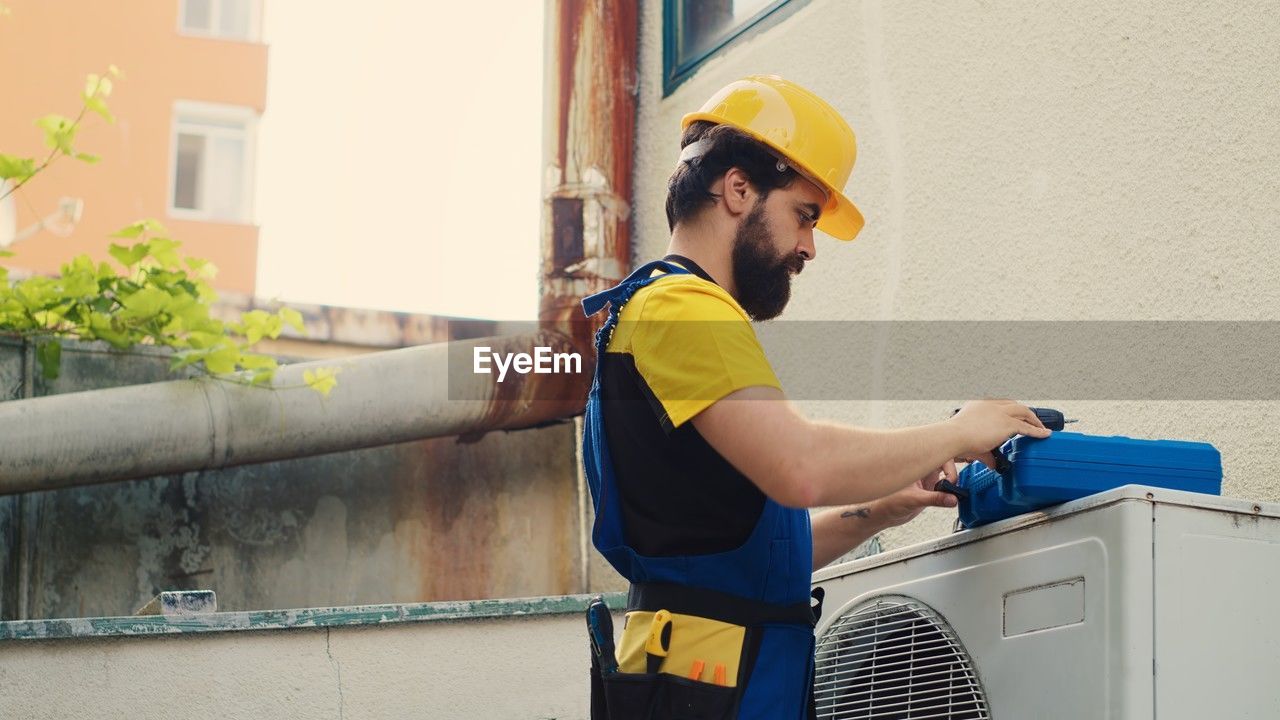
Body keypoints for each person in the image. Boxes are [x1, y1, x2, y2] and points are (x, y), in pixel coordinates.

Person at [580, 75, 1050, 720]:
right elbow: (800, 465)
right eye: (804, 214)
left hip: (698, 679)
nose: (809, 246)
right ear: (739, 189)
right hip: (715, 692)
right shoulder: (685, 310)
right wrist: (962, 430)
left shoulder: (658, 311)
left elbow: (742, 567)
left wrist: (878, 511)